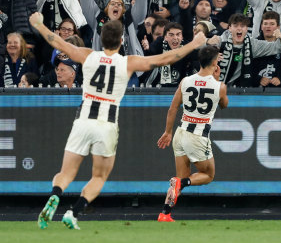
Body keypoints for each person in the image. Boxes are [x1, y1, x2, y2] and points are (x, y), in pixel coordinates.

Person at [32, 12, 207, 230]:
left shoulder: (88, 55)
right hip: (107, 124)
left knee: (66, 173)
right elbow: (165, 58)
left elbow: (57, 42)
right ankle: (73, 212)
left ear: (101, 38)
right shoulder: (128, 62)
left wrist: (39, 23)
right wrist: (194, 43)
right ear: (122, 40)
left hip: (83, 119)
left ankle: (56, 195)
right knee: (99, 176)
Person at [157, 45, 228, 222]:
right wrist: (217, 79)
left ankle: (165, 213)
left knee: (180, 176)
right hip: (198, 136)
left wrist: (167, 132)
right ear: (214, 62)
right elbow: (224, 105)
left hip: (180, 133)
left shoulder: (186, 81)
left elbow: (173, 108)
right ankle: (182, 183)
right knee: (208, 175)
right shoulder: (220, 86)